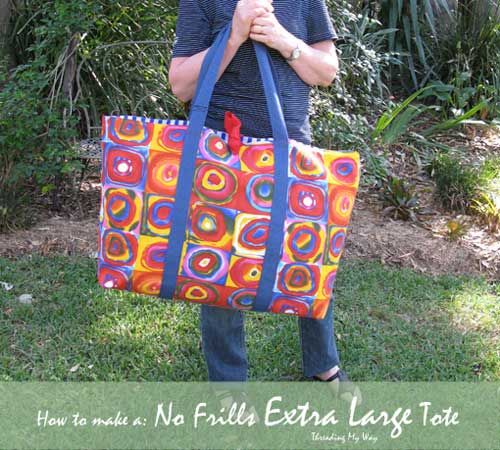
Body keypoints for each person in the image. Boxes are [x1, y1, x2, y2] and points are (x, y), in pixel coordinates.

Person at [168, 0, 361, 402]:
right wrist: (234, 35)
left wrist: (283, 39)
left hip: (294, 149)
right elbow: (181, 84)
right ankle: (228, 386)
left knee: (307, 255)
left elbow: (326, 72)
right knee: (219, 265)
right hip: (222, 151)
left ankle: (324, 365)